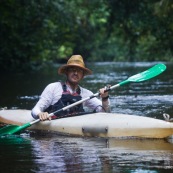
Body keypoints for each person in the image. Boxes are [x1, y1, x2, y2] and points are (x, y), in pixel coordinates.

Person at [31, 55, 111, 121]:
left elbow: (104, 112)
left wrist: (105, 98)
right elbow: (35, 110)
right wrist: (40, 114)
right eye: (72, 70)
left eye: (79, 71)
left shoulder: (86, 94)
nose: (75, 73)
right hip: (52, 132)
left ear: (83, 75)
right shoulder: (53, 87)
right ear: (66, 72)